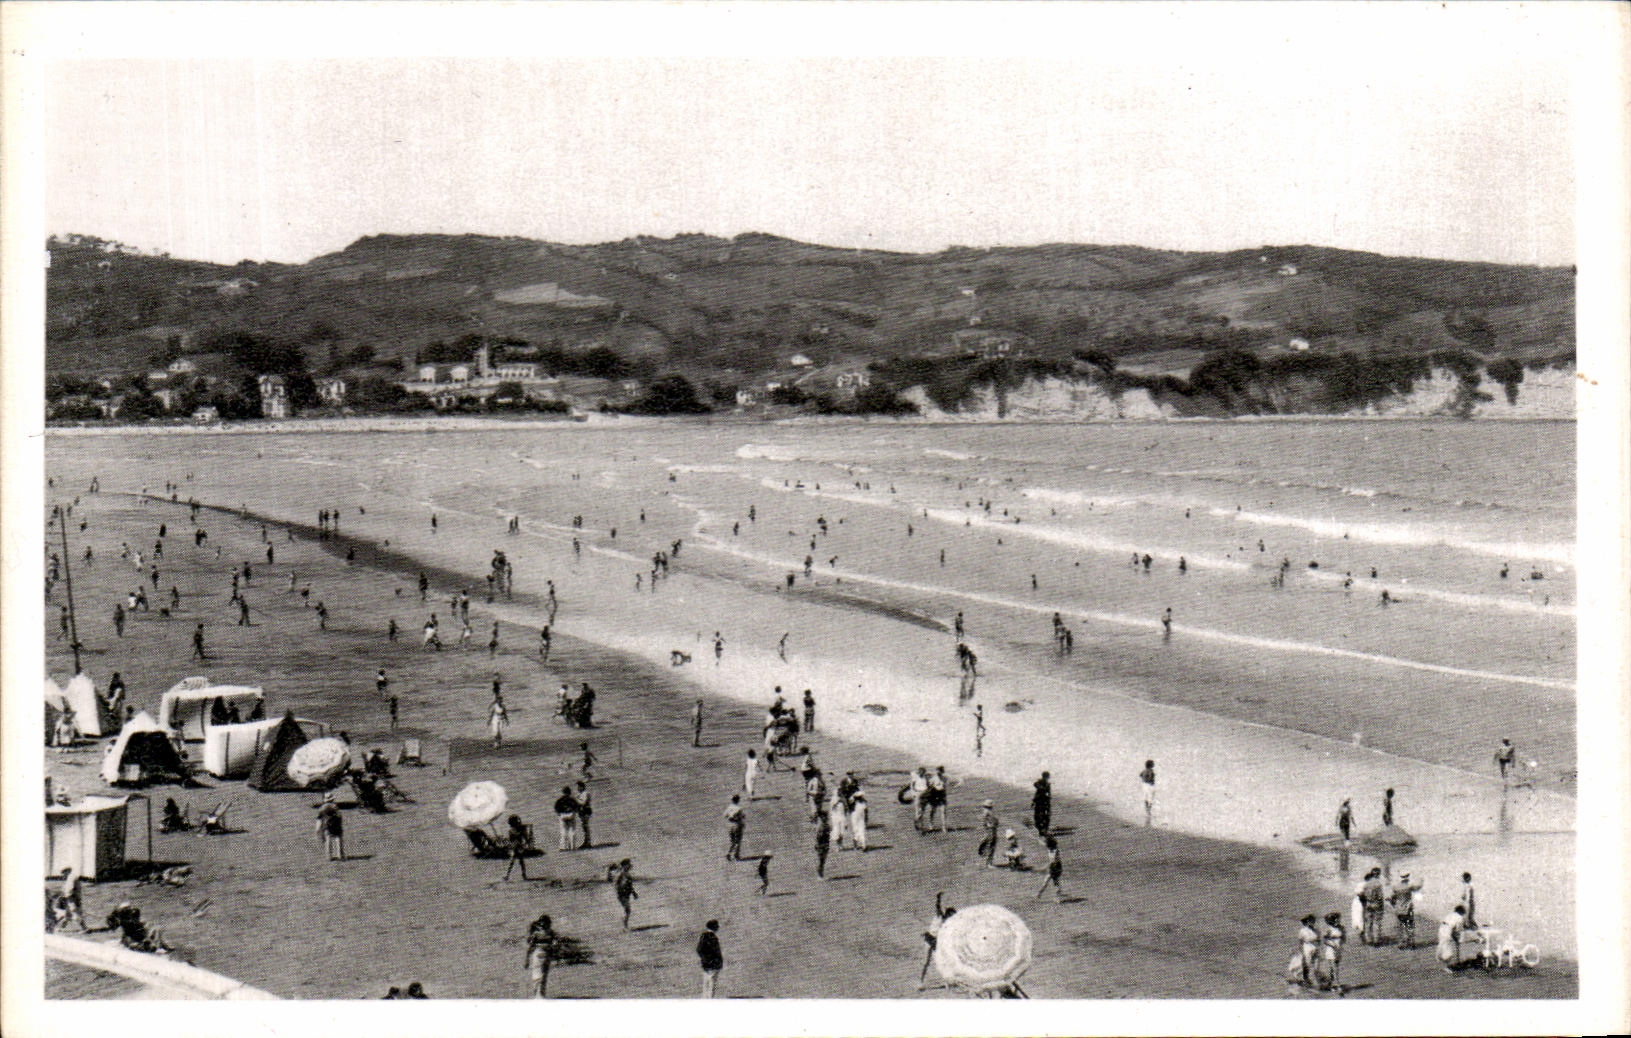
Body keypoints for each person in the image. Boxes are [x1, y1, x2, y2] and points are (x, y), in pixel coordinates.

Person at [919, 893, 955, 988]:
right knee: (925, 962)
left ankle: (947, 983)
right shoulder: (939, 917)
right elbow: (938, 907)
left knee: (942, 962)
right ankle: (920, 982)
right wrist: (938, 898)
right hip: (929, 940)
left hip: (936, 943)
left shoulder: (948, 924)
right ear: (947, 914)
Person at [1286, 914, 1321, 990]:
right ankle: (1305, 979)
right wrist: (1302, 952)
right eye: (1310, 921)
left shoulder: (1317, 930)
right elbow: (1300, 942)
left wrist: (1318, 947)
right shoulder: (1303, 931)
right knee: (1307, 965)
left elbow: (1319, 940)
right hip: (1307, 947)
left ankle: (1316, 981)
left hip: (1315, 948)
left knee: (1316, 966)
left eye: (1313, 921)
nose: (1312, 922)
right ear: (1307, 922)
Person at [525, 914, 555, 997]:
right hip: (542, 955)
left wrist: (527, 959)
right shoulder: (543, 933)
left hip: (543, 955)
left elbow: (531, 946)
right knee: (540, 976)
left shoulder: (546, 933)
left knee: (541, 975)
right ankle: (539, 995)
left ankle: (540, 995)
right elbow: (531, 946)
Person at [1390, 870, 1421, 949]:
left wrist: (1393, 904)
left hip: (1398, 909)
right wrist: (1421, 880)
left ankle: (1401, 943)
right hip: (1407, 909)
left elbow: (1392, 897)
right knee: (1409, 926)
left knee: (1399, 927)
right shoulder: (1409, 886)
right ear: (1407, 877)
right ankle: (1411, 942)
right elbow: (1417, 888)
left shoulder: (1395, 887)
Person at [1316, 912, 1346, 992]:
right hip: (1331, 950)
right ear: (1331, 921)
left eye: (1338, 919)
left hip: (1338, 950)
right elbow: (1325, 940)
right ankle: (1338, 985)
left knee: (1332, 969)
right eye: (1336, 919)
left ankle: (1330, 984)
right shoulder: (1329, 929)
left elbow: (1344, 938)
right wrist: (1333, 945)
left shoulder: (1341, 928)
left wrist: (1340, 943)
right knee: (1335, 968)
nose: (1338, 920)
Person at [696, 920, 724, 998]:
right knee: (711, 984)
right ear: (714, 927)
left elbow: (699, 949)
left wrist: (704, 959)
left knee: (706, 983)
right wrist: (714, 961)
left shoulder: (703, 936)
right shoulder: (713, 937)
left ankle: (705, 998)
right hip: (713, 964)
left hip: (705, 964)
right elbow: (716, 952)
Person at [315, 792, 345, 861]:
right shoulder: (335, 806)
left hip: (327, 825)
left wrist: (318, 829)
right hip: (336, 825)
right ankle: (340, 855)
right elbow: (339, 816)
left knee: (328, 840)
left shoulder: (322, 808)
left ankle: (329, 856)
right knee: (338, 839)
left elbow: (319, 819)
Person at [1360, 867, 1386, 945]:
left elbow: (1363, 894)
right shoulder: (1378, 884)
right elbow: (1380, 896)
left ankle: (1369, 939)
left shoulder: (1366, 883)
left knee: (1368, 922)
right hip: (1376, 904)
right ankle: (1376, 939)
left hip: (1368, 903)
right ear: (1379, 874)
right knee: (1377, 922)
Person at [1437, 904, 1467, 972]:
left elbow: (1453, 928)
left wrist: (1454, 936)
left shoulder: (1451, 914)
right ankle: (1447, 967)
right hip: (1447, 931)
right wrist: (1457, 939)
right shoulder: (1460, 918)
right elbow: (1457, 930)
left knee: (1443, 945)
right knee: (1447, 949)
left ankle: (1441, 958)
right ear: (1462, 912)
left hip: (1441, 928)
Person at [503, 814, 533, 881]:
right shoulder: (516, 830)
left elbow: (525, 838)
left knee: (518, 861)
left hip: (518, 847)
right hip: (516, 847)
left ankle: (508, 875)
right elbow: (525, 838)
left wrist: (525, 843)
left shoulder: (515, 830)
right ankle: (521, 875)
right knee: (517, 861)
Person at [1034, 836, 1064, 901]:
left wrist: (1043, 868)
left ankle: (1056, 897)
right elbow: (1045, 845)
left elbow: (1052, 862)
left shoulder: (1055, 852)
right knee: (1053, 882)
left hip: (1055, 867)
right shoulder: (1052, 849)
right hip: (1055, 867)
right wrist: (1040, 841)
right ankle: (1039, 894)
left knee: (1051, 881)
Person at [611, 859, 637, 928]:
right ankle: (624, 925)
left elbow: (630, 885)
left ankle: (624, 924)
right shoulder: (620, 874)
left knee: (627, 910)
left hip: (626, 894)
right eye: (628, 865)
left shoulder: (626, 874)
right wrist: (619, 892)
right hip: (622, 894)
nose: (629, 867)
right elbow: (616, 884)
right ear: (624, 866)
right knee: (627, 910)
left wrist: (633, 893)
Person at [976, 800, 1000, 867]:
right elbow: (984, 821)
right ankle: (988, 862)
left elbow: (994, 820)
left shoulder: (990, 812)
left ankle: (989, 861)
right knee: (990, 844)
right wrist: (988, 825)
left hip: (993, 829)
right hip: (990, 830)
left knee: (992, 844)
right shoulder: (986, 812)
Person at [926, 766, 948, 832]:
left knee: (943, 811)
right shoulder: (933, 778)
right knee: (933, 810)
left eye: (939, 771)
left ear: (942, 772)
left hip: (942, 795)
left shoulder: (945, 778)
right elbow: (928, 786)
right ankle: (931, 825)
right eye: (937, 771)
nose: (938, 773)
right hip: (934, 795)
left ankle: (944, 827)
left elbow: (945, 787)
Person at [723, 794, 745, 861]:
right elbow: (742, 817)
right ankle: (736, 855)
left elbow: (725, 815)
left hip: (730, 825)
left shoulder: (729, 807)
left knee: (732, 841)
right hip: (737, 825)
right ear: (738, 800)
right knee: (738, 840)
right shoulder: (739, 808)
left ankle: (729, 853)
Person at [909, 767, 930, 833]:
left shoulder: (926, 778)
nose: (922, 773)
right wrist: (913, 793)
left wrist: (928, 792)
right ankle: (921, 827)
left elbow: (928, 786)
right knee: (918, 811)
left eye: (923, 772)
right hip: (918, 794)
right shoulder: (915, 778)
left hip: (925, 795)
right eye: (920, 772)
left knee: (922, 811)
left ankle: (917, 821)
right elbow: (912, 786)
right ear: (919, 772)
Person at [1032, 772, 1052, 836]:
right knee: (1044, 816)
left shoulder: (1047, 784)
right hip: (1042, 802)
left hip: (1042, 802)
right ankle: (1043, 829)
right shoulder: (1043, 783)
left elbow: (1048, 794)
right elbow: (1035, 785)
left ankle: (1043, 829)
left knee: (1041, 816)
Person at [575, 780, 594, 848]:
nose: (577, 789)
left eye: (578, 787)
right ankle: (586, 841)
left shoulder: (585, 793)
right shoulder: (580, 794)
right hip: (582, 812)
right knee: (584, 826)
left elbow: (583, 802)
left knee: (585, 826)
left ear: (582, 787)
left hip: (585, 811)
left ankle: (588, 842)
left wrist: (576, 800)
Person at [814, 807, 832, 879]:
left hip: (825, 844)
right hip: (822, 844)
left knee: (822, 860)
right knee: (821, 860)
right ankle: (820, 874)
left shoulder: (825, 826)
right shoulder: (822, 827)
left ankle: (820, 873)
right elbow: (819, 837)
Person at [1139, 760, 1157, 826]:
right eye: (1153, 763)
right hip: (1150, 786)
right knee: (1151, 799)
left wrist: (1144, 779)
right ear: (1151, 765)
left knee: (1145, 798)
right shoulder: (1151, 771)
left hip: (1144, 785)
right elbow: (1150, 777)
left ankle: (1147, 811)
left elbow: (1140, 775)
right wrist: (1151, 780)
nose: (1154, 764)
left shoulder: (1144, 770)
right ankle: (1149, 811)